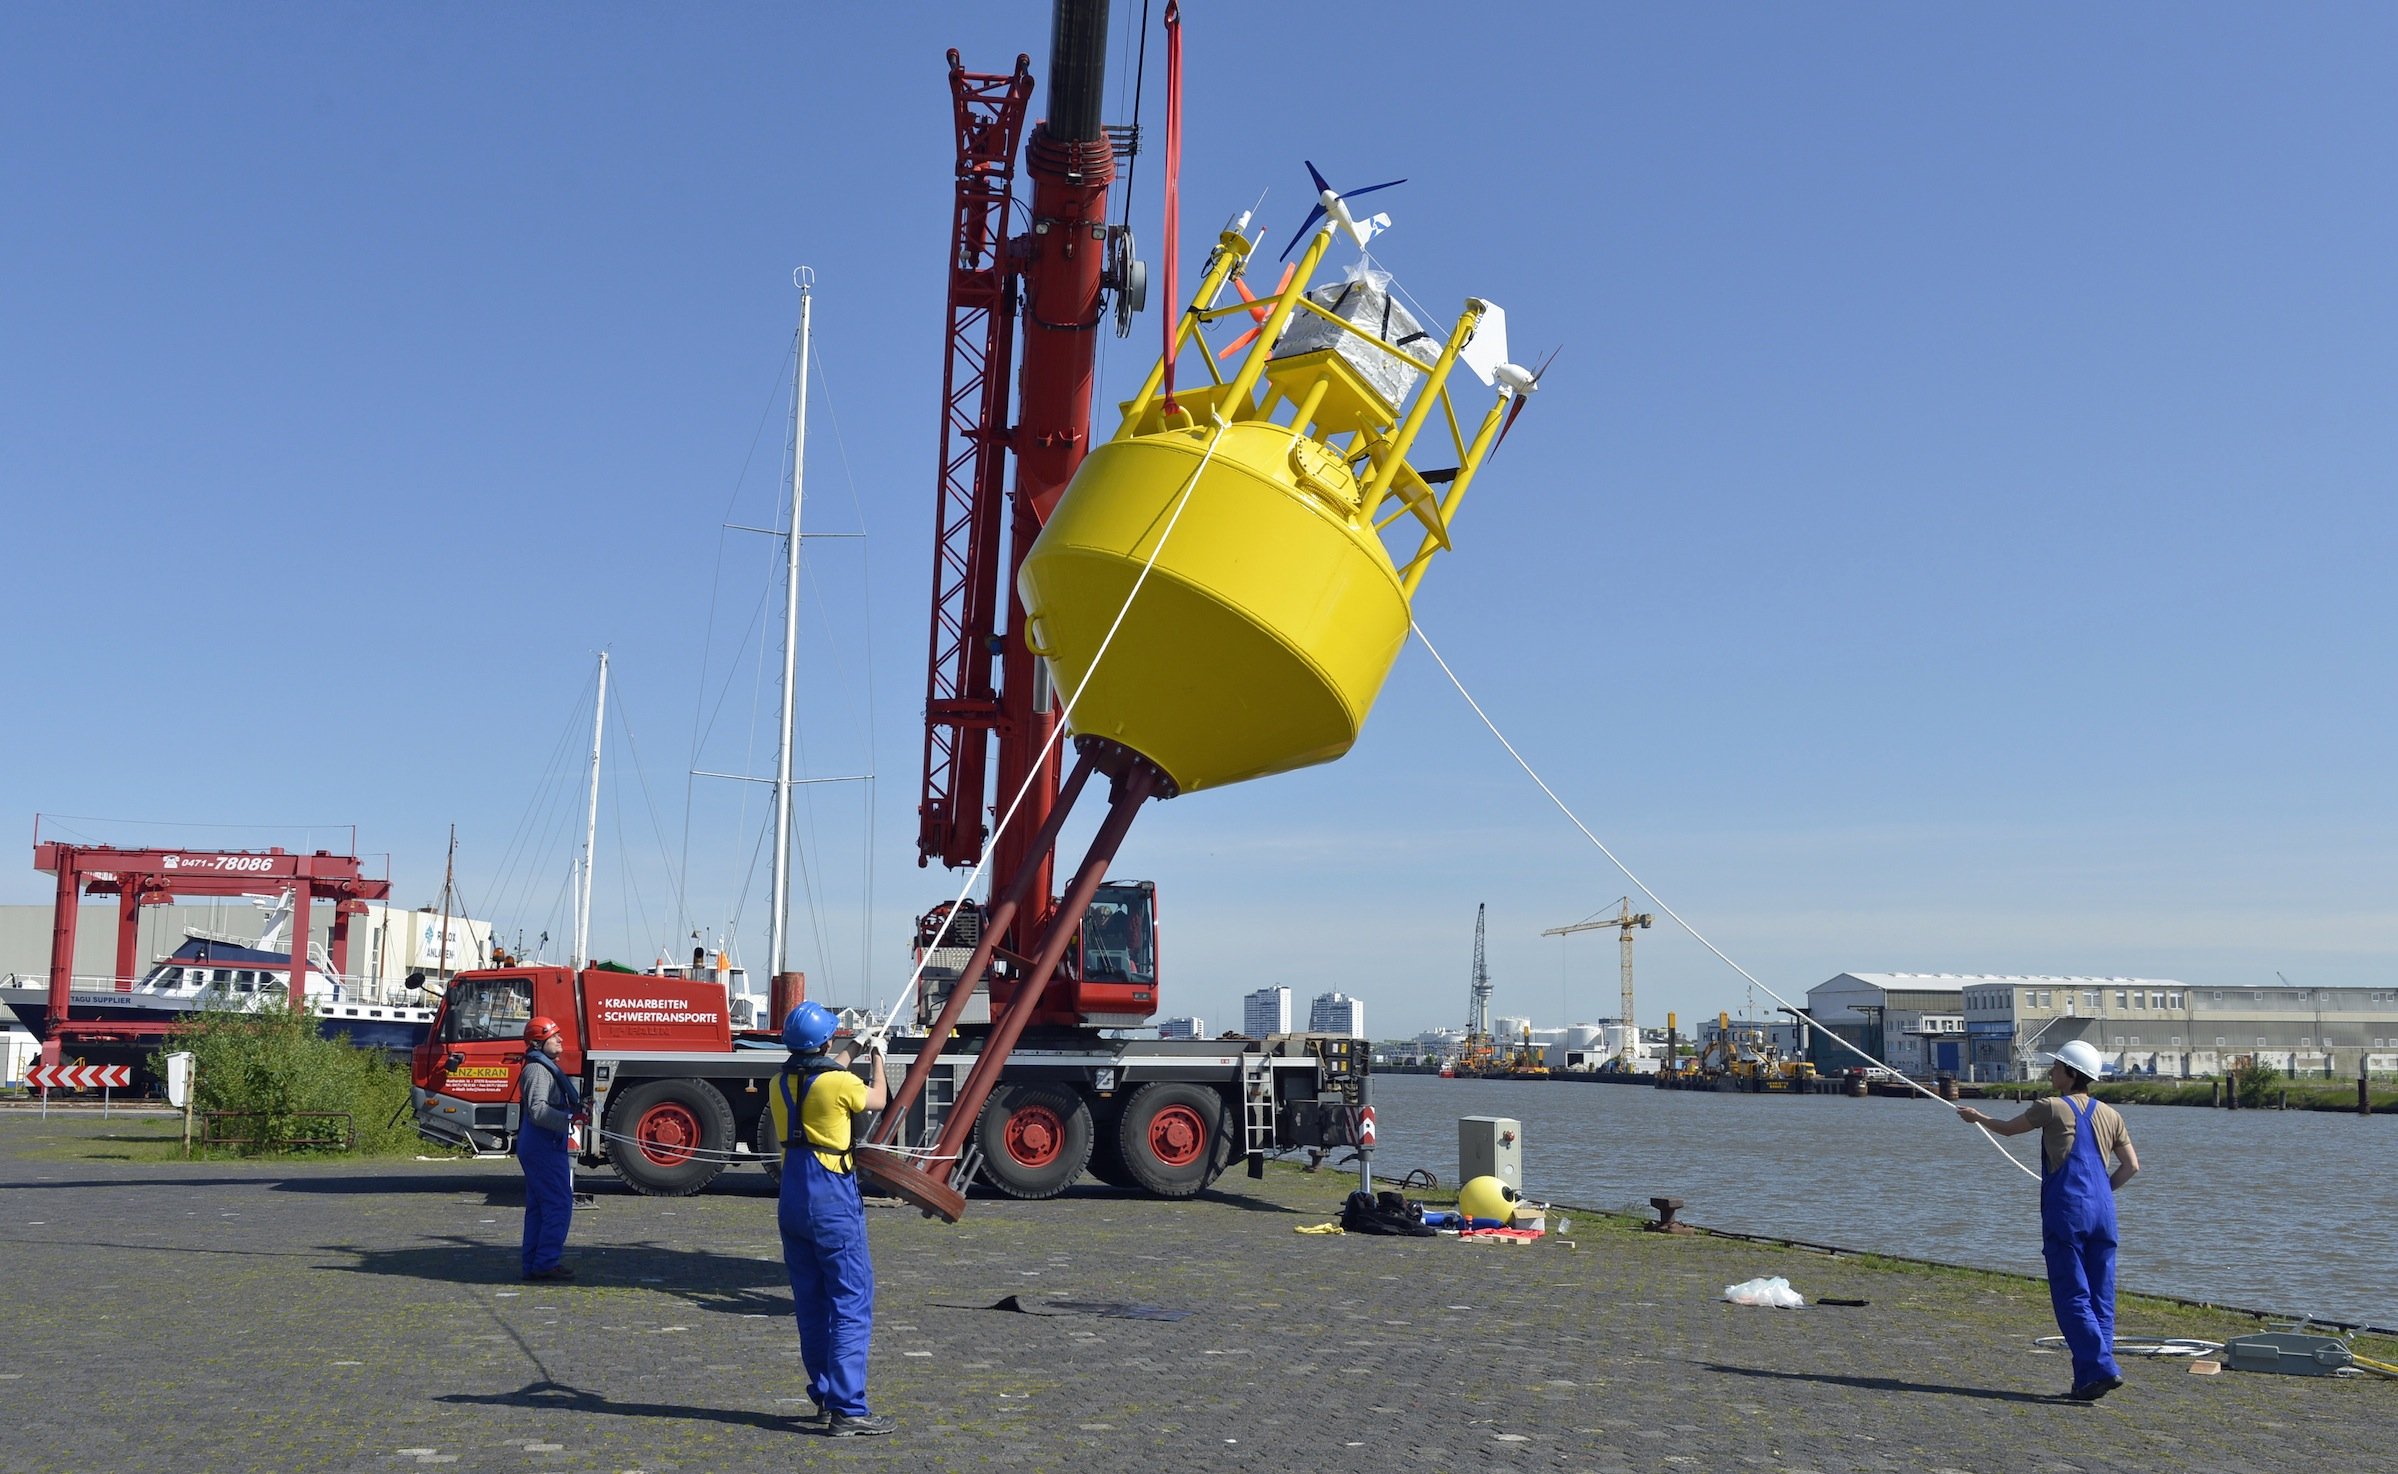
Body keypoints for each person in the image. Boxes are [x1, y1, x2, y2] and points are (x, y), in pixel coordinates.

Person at [1957, 1039, 2141, 1400]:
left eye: (2057, 1066)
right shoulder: (2111, 1115)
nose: (2051, 1071)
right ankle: (2087, 1379)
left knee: (2072, 1293)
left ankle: (2103, 1367)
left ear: (2072, 1074)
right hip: (2104, 1213)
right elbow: (2132, 1166)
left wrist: (1976, 1118)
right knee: (2100, 1296)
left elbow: (2009, 1129)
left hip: (2067, 1211)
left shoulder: (2051, 1107)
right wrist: (2101, 1195)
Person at [767, 1002, 894, 1437]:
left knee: (811, 1304)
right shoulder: (838, 1083)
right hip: (832, 1198)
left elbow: (820, 1075)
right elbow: (875, 1099)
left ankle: (824, 1395)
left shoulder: (779, 1082)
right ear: (825, 1040)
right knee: (850, 1302)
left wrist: (853, 1049)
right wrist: (878, 1055)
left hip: (793, 1196)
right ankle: (849, 1408)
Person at [516, 1015, 584, 1282]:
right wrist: (570, 1119)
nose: (560, 1039)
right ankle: (545, 1262)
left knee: (540, 1206)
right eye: (554, 1036)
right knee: (558, 1203)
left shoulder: (543, 1067)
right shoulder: (537, 1070)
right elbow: (537, 1111)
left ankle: (534, 1263)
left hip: (543, 1142)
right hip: (542, 1143)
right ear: (537, 1042)